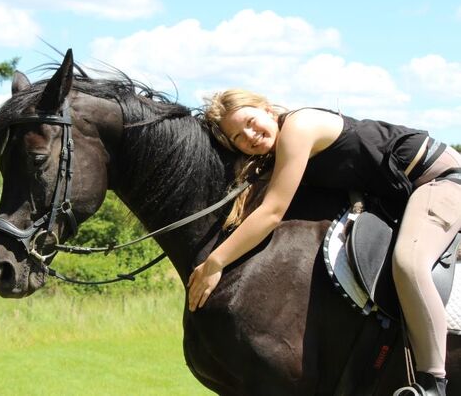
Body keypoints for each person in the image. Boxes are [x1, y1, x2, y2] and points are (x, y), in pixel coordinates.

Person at [188, 89, 461, 396]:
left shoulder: (298, 128)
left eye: (251, 121)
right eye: (238, 136)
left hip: (442, 179)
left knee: (409, 263)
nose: (250, 135)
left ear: (267, 109)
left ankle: (432, 383)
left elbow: (272, 212)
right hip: (402, 194)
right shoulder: (279, 150)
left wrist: (216, 262)